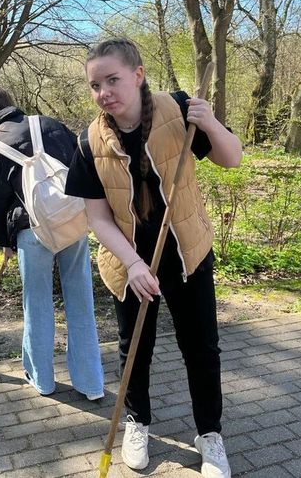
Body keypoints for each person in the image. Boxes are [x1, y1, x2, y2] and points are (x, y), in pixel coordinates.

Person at [65, 39, 242, 478]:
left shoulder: (177, 110)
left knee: (201, 348)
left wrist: (211, 124)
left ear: (138, 75)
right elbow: (97, 218)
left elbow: (232, 158)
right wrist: (135, 263)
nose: (104, 91)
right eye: (95, 84)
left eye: (113, 79)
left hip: (187, 253)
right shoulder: (89, 142)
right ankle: (138, 421)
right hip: (130, 264)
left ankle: (210, 434)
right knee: (134, 350)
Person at [0, 84, 104, 400]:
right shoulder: (50, 124)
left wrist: (4, 242)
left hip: (32, 231)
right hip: (72, 222)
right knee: (81, 303)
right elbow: (81, 166)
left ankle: (43, 380)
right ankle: (91, 384)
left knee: (37, 305)